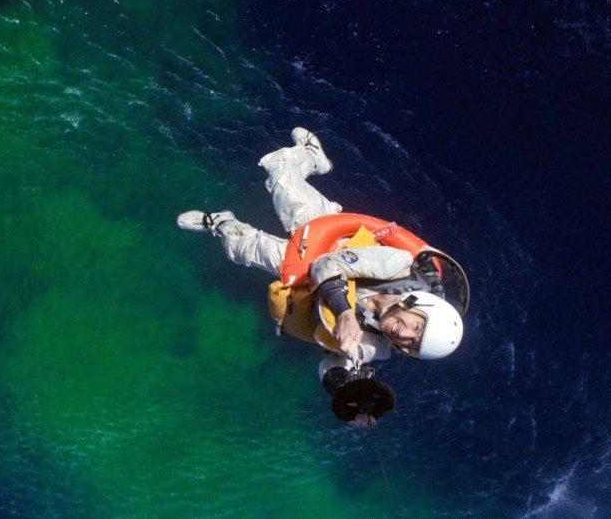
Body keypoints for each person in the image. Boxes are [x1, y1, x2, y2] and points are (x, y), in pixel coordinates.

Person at [177, 128, 468, 428]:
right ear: (418, 305)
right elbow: (327, 264)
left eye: (412, 345)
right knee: (279, 172)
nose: (405, 337)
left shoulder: (377, 346)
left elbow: (334, 363)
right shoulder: (398, 265)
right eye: (417, 327)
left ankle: (222, 223)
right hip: (324, 239)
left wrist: (348, 392)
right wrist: (345, 315)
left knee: (244, 250)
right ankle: (313, 155)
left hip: (307, 282)